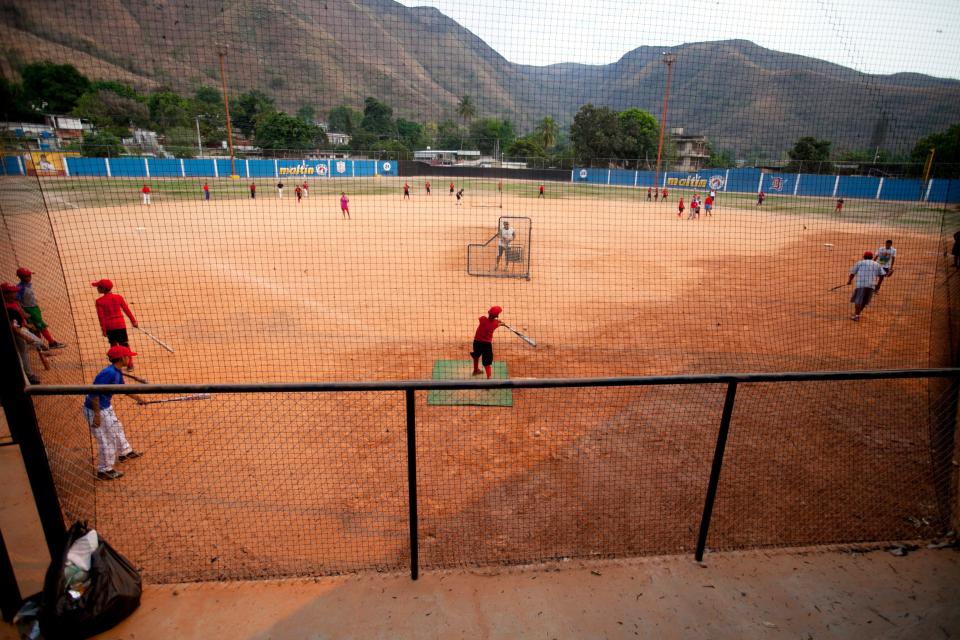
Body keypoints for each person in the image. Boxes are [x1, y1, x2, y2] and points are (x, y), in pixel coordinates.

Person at [83, 345, 145, 480]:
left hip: (105, 406)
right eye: (128, 356)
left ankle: (124, 452)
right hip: (96, 408)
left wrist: (139, 399)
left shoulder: (116, 371)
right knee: (106, 439)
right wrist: (97, 416)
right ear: (122, 358)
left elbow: (123, 388)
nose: (130, 358)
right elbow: (94, 394)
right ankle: (104, 470)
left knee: (117, 428)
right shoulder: (109, 373)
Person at [92, 279, 138, 369]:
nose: (97, 288)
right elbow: (126, 310)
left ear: (103, 289)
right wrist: (133, 321)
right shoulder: (118, 297)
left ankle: (117, 364)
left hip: (110, 327)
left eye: (98, 287)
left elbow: (101, 318)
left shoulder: (99, 301)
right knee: (124, 345)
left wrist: (104, 330)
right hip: (120, 325)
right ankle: (130, 364)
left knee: (113, 346)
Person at [4, 282, 43, 384]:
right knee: (23, 354)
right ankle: (29, 376)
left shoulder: (14, 302)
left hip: (21, 328)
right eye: (13, 292)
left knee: (38, 343)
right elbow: (14, 327)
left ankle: (37, 350)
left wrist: (27, 324)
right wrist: (26, 337)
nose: (15, 294)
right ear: (5, 294)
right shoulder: (8, 308)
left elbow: (21, 317)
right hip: (17, 333)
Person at [16, 267, 65, 349]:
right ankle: (51, 343)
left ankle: (40, 345)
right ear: (21, 277)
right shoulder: (20, 288)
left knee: (36, 327)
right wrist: (23, 312)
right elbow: (17, 301)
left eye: (30, 276)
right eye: (27, 276)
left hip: (34, 308)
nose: (30, 278)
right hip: (30, 309)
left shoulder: (27, 285)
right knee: (41, 326)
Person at [846, 251, 884, 321]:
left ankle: (856, 316)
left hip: (861, 285)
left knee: (858, 301)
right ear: (872, 257)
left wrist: (849, 281)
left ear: (864, 257)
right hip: (871, 285)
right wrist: (878, 285)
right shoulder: (877, 264)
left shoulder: (860, 263)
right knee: (864, 301)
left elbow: (852, 273)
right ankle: (857, 314)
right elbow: (882, 275)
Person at [470, 306, 502, 378]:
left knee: (476, 355)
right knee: (487, 362)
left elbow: (483, 319)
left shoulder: (483, 319)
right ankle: (489, 379)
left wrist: (496, 320)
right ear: (496, 316)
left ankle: (475, 370)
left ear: (489, 313)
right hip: (486, 345)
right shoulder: (495, 324)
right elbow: (497, 323)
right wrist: (501, 323)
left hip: (477, 342)